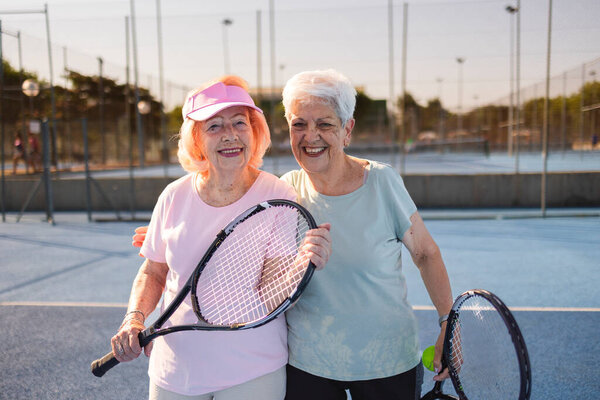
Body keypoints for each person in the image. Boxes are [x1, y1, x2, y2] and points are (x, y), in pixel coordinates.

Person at [134, 69, 453, 400]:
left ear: (347, 130)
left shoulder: (381, 182)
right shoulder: (286, 192)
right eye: (299, 124)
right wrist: (174, 236)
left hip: (386, 361)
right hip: (308, 366)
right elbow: (228, 234)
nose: (310, 136)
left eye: (325, 124)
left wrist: (447, 323)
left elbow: (426, 254)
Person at [117, 75, 331, 400]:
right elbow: (153, 271)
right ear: (197, 140)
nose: (230, 135)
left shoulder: (278, 195)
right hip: (175, 368)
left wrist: (303, 263)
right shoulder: (174, 195)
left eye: (239, 123)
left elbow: (270, 296)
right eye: (214, 126)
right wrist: (133, 319)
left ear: (254, 131)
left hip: (252, 371)